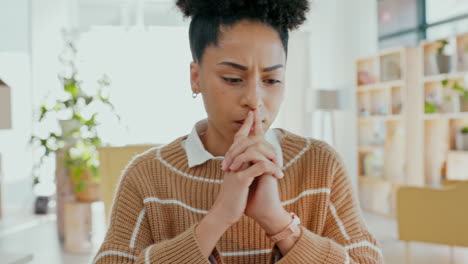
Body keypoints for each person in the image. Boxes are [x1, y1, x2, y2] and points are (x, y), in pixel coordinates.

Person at [93, 0, 383, 263]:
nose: (255, 100)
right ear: (196, 78)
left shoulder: (320, 165)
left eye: (272, 80)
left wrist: (278, 222)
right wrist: (218, 219)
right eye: (233, 79)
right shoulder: (146, 176)